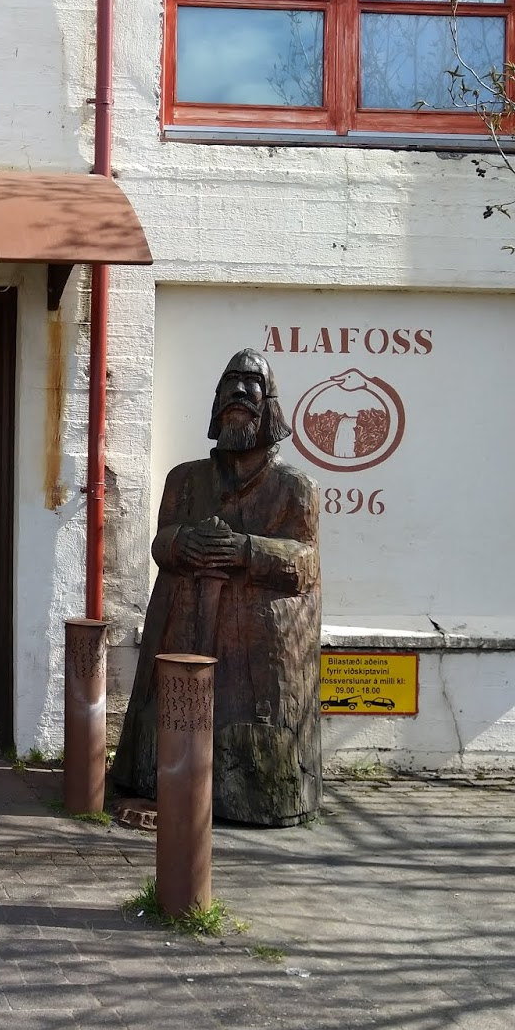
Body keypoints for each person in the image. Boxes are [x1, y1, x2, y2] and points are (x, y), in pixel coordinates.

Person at [109, 348, 322, 826]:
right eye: (230, 384)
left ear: (270, 406)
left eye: (251, 385)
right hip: (187, 627)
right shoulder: (185, 479)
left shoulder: (295, 487)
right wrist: (184, 541)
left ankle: (259, 795)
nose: (238, 392)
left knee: (250, 728)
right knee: (170, 709)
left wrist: (245, 549)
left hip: (255, 647)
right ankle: (156, 780)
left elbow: (306, 561)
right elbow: (161, 542)